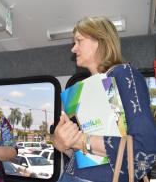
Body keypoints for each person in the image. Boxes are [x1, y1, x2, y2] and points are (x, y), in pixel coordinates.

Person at [53, 16, 156, 182]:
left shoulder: (123, 74)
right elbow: (89, 157)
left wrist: (82, 141)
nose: (73, 49)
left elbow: (145, 148)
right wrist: (63, 145)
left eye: (79, 41)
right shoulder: (82, 89)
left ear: (100, 40)